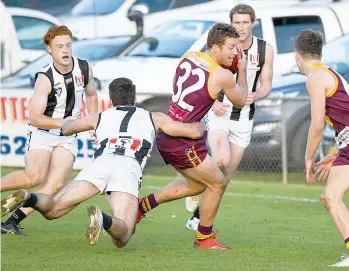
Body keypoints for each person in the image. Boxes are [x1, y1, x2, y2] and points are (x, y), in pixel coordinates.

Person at [1, 77, 206, 247]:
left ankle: (29, 197)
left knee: (53, 209)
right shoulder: (155, 117)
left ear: (111, 99)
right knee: (124, 234)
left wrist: (72, 120)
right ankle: (103, 219)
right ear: (134, 98)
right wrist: (203, 120)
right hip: (128, 168)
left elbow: (67, 128)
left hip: (100, 164)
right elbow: (193, 132)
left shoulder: (98, 116)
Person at [135, 22, 248, 249]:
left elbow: (190, 91)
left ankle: (142, 206)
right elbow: (241, 100)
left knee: (197, 186)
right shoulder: (222, 74)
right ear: (215, 48)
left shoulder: (188, 57)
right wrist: (242, 70)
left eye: (237, 48)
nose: (236, 53)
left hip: (170, 134)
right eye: (231, 47)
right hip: (183, 141)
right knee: (217, 183)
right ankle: (204, 238)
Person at [1, 25, 98, 236]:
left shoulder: (84, 68)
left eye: (68, 46)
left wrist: (92, 121)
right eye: (59, 46)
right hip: (42, 133)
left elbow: (91, 95)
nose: (65, 50)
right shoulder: (45, 77)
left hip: (68, 136)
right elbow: (34, 117)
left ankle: (10, 222)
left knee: (55, 184)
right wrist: (64, 122)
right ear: (49, 49)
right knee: (33, 177)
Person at [185, 4, 274, 231]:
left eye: (245, 22)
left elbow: (266, 85)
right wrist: (212, 101)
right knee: (221, 161)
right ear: (231, 23)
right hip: (220, 114)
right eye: (237, 23)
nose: (241, 27)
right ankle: (197, 188)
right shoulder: (221, 49)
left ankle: (198, 218)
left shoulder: (265, 49)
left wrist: (258, 95)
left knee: (225, 178)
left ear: (253, 23)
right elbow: (203, 78)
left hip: (245, 118)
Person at [295, 29, 349, 268]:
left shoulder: (315, 77)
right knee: (330, 197)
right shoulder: (328, 72)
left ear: (297, 56)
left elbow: (316, 126)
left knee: (331, 197)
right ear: (320, 52)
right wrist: (335, 153)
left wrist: (308, 158)